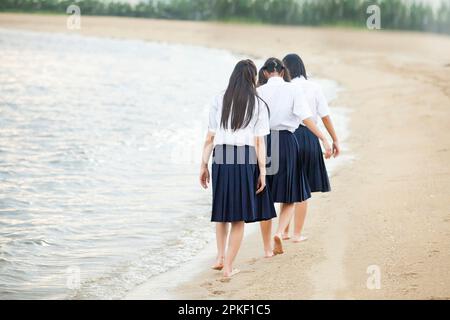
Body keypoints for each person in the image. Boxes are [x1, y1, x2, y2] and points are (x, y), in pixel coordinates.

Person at [199, 59, 276, 277]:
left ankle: (220, 257)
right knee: (238, 217)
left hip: (221, 156)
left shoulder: (219, 98)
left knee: (221, 212)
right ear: (253, 77)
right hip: (244, 157)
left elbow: (210, 137)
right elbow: (260, 142)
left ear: (233, 76)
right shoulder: (258, 104)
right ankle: (229, 267)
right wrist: (263, 171)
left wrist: (203, 164)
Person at [257, 58, 332, 256]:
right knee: (291, 193)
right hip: (287, 142)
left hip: (265, 142)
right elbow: (306, 118)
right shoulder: (293, 90)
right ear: (282, 71)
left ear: (265, 72)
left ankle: (266, 250)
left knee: (265, 196)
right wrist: (323, 138)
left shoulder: (259, 91)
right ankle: (280, 233)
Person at [282, 53, 341, 242]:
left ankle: (283, 231)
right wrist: (334, 139)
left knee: (289, 184)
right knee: (304, 188)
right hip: (309, 136)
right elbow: (324, 116)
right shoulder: (314, 87)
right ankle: (297, 234)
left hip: (287, 137)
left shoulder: (286, 88)